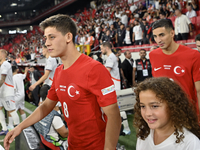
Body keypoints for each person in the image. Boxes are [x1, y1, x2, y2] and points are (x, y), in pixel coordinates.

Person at [4, 14, 121, 150]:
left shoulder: (94, 69)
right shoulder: (59, 71)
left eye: (52, 37)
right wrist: (20, 127)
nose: (47, 43)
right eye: (45, 38)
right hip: (72, 145)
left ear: (68, 37)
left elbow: (114, 115)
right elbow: (46, 106)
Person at [149, 19, 200, 116]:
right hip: (163, 114)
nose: (158, 40)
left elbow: (199, 90)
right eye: (155, 36)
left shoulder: (193, 55)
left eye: (162, 35)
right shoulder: (153, 55)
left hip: (187, 114)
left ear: (172, 33)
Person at [133, 77, 200, 150]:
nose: (147, 113)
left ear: (172, 106)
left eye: (155, 106)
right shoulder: (144, 132)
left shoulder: (190, 143)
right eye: (143, 106)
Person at [34, 84, 68, 150]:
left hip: (44, 140)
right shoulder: (54, 116)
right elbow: (64, 134)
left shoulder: (37, 110)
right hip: (54, 145)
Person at [0, 49, 20, 135]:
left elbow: (3, 79)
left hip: (7, 91)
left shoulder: (5, 64)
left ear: (3, 54)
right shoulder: (2, 65)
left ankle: (18, 130)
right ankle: (5, 128)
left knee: (11, 110)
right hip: (2, 91)